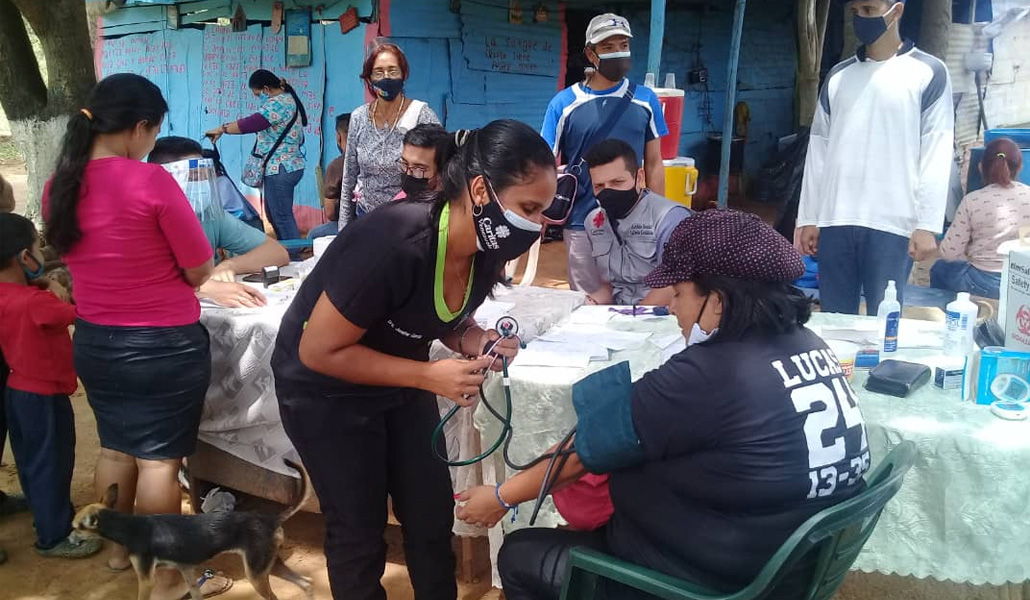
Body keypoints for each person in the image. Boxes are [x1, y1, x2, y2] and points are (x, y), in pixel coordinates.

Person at [456, 209, 871, 600]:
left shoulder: (709, 375)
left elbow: (582, 453)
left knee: (521, 553)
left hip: (709, 583)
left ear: (719, 301)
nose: (672, 306)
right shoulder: (811, 346)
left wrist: (500, 497)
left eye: (680, 292)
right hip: (787, 569)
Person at [271, 120, 556, 600]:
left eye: (546, 211)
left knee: (429, 514)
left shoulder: (486, 247)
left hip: (400, 377)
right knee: (358, 530)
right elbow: (317, 350)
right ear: (482, 190)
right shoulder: (395, 240)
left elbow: (435, 312)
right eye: (530, 208)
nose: (540, 224)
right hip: (323, 389)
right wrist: (427, 374)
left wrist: (475, 339)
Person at [44, 73, 231, 600]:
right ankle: (170, 575)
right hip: (162, 346)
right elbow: (198, 269)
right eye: (154, 133)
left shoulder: (59, 183)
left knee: (116, 449)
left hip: (97, 341)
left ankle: (120, 552)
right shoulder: (149, 182)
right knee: (158, 464)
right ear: (140, 127)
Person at [795, 0, 954, 315]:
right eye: (855, 12)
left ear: (896, 11)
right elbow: (819, 148)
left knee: (885, 321)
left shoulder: (928, 72)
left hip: (892, 221)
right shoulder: (839, 76)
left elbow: (936, 148)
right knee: (835, 319)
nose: (860, 19)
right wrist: (809, 217)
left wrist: (927, 223)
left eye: (868, 10)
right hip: (837, 218)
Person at [0, 213, 104, 560]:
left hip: (17, 390)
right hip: (44, 395)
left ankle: (45, 513)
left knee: (32, 461)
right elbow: (79, 311)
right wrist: (60, 288)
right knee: (54, 461)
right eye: (37, 246)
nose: (41, 252)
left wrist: (43, 284)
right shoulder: (36, 304)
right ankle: (54, 534)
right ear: (24, 258)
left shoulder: (11, 295)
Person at [541, 13, 668, 294]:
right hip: (581, 221)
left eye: (623, 45)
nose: (618, 53)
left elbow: (655, 163)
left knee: (638, 297)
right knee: (588, 302)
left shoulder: (646, 100)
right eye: (608, 47)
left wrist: (659, 215)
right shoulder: (563, 104)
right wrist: (538, 214)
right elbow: (545, 166)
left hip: (637, 222)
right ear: (590, 53)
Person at [149, 136, 289, 308]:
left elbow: (277, 252)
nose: (201, 184)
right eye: (193, 177)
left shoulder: (210, 216)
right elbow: (140, 281)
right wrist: (204, 288)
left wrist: (229, 266)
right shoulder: (142, 222)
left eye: (204, 176)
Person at [337, 40, 441, 229]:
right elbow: (349, 177)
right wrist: (343, 230)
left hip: (408, 220)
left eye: (393, 71)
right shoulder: (359, 117)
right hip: (366, 217)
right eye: (379, 72)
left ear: (404, 74)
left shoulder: (421, 114)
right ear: (369, 78)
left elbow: (442, 169)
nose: (386, 77)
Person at [583, 139, 691, 306]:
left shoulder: (669, 218)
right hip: (618, 314)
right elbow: (608, 287)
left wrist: (632, 319)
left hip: (663, 315)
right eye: (599, 186)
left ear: (639, 178)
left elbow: (674, 285)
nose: (608, 191)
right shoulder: (594, 223)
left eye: (617, 182)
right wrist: (589, 304)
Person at [205, 69, 308, 242]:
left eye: (257, 94)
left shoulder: (278, 103)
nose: (258, 97)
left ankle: (294, 258)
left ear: (266, 89)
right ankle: (289, 251)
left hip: (281, 167)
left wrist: (222, 129)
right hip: (286, 166)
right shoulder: (287, 100)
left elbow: (251, 123)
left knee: (281, 216)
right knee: (275, 214)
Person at [932, 138, 1029, 299]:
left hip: (983, 282)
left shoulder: (973, 200)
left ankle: (950, 314)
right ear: (1019, 167)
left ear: (981, 166)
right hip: (1023, 282)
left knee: (941, 269)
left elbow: (949, 253)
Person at [309, 114, 352, 240]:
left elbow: (330, 213)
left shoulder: (337, 166)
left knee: (313, 236)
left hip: (349, 225)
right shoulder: (376, 160)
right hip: (377, 221)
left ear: (338, 137)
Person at [396, 123, 450, 200]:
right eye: (404, 164)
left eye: (418, 169)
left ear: (441, 172)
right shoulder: (400, 199)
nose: (408, 174)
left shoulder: (454, 208)